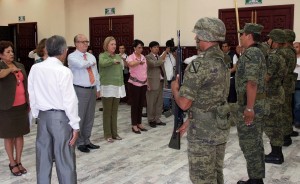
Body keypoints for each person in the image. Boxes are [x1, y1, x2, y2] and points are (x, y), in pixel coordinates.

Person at [173, 17, 230, 184]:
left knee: (202, 178)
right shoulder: (224, 60)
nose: (195, 38)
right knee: (216, 173)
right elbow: (209, 99)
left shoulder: (199, 64)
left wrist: (175, 89)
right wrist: (189, 121)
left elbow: (184, 103)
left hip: (203, 133)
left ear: (204, 36)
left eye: (197, 34)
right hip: (220, 126)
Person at [28, 35, 80, 184]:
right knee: (65, 159)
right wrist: (75, 126)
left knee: (43, 159)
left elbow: (31, 93)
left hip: (43, 118)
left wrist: (37, 114)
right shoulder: (63, 71)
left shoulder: (35, 68)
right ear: (64, 51)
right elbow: (69, 101)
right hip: (60, 119)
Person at [235, 23, 267, 184]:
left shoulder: (252, 54)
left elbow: (252, 83)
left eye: (242, 34)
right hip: (258, 103)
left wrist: (249, 108)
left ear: (249, 35)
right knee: (255, 141)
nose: (240, 36)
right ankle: (256, 177)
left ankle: (255, 180)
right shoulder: (256, 51)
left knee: (250, 143)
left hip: (252, 104)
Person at [0, 41, 30, 176]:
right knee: (9, 136)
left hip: (22, 105)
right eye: (7, 52)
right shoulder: (1, 66)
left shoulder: (20, 65)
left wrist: (29, 102)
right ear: (0, 54)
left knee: (19, 134)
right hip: (7, 107)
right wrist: (10, 70)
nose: (11, 54)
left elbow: (26, 84)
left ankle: (18, 161)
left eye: (12, 51)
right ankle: (12, 162)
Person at [68, 34, 100, 153]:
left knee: (90, 116)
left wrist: (98, 87)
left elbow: (96, 73)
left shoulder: (91, 56)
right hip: (80, 89)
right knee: (80, 116)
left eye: (87, 41)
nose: (86, 44)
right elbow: (81, 65)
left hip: (92, 88)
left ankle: (87, 140)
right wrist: (90, 63)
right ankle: (79, 142)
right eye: (83, 42)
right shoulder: (72, 56)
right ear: (76, 43)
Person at [264, 29, 287, 165]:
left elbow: (267, 77)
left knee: (272, 125)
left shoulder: (273, 57)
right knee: (276, 124)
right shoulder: (282, 55)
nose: (268, 41)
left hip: (272, 95)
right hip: (278, 92)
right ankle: (277, 153)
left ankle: (276, 154)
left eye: (269, 39)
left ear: (275, 42)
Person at [99, 36, 125, 142]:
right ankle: (107, 134)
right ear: (106, 45)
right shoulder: (103, 56)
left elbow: (120, 72)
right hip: (107, 87)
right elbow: (102, 63)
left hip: (117, 86)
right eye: (112, 44)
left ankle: (114, 133)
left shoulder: (118, 56)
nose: (114, 46)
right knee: (107, 112)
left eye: (115, 44)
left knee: (114, 112)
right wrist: (112, 61)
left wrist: (121, 84)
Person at [280, 29, 298, 146]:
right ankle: (289, 131)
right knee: (288, 108)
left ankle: (285, 136)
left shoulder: (285, 52)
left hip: (284, 84)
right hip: (289, 83)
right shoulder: (292, 51)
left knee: (284, 110)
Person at [126, 39, 148, 134]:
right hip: (134, 84)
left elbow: (145, 71)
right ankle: (134, 125)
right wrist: (138, 62)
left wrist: (148, 82)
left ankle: (139, 123)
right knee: (134, 105)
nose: (141, 49)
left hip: (144, 83)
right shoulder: (131, 57)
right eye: (139, 47)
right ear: (134, 48)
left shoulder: (143, 57)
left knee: (141, 104)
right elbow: (130, 64)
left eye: (142, 47)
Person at [145, 41, 167, 128]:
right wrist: (162, 59)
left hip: (161, 82)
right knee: (151, 102)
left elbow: (163, 71)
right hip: (152, 83)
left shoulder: (159, 57)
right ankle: (151, 120)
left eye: (157, 47)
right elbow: (153, 64)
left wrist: (165, 81)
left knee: (159, 102)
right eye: (154, 47)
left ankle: (157, 119)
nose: (156, 48)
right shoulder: (147, 57)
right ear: (150, 48)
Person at [161, 39, 176, 112]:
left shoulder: (174, 53)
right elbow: (160, 60)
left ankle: (173, 107)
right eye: (170, 47)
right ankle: (166, 108)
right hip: (166, 77)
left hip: (173, 76)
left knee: (173, 92)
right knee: (166, 92)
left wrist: (173, 53)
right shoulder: (164, 53)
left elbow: (178, 60)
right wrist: (166, 51)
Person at [293, 42, 300, 128]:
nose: (295, 48)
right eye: (294, 47)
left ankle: (298, 121)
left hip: (299, 82)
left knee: (298, 103)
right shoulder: (291, 58)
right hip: (291, 81)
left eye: (297, 47)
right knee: (291, 102)